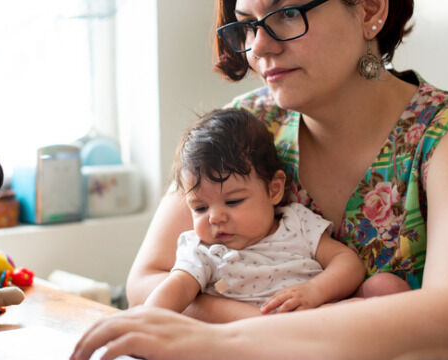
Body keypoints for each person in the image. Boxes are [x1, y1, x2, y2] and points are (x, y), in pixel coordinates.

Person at [71, 0, 448, 360]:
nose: (259, 48)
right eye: (247, 25)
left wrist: (230, 340)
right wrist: (258, 329)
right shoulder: (249, 126)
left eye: (287, 13)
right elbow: (145, 281)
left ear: (369, 10)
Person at [145, 108, 401, 314]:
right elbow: (175, 290)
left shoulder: (296, 222)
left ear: (274, 190)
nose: (215, 217)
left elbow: (347, 263)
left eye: (233, 202)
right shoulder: (202, 251)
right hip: (255, 337)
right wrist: (144, 321)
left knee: (385, 286)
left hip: (321, 316)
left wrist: (315, 291)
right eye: (200, 208)